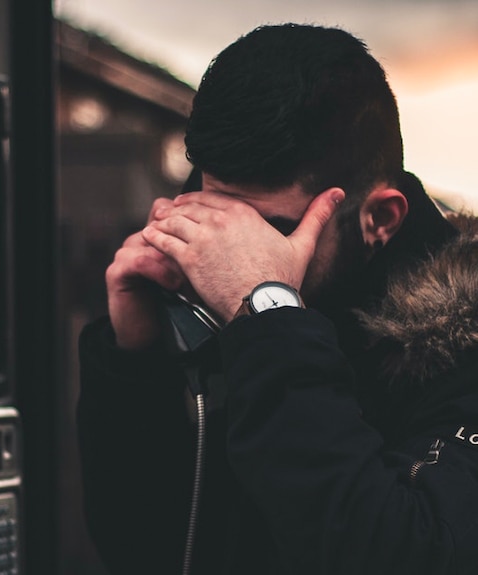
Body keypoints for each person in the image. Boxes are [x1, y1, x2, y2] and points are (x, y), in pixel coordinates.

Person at [76, 23, 478, 575]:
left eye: (270, 229)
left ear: (379, 220)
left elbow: (404, 554)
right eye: (221, 219)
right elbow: (154, 549)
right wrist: (136, 366)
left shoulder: (462, 348)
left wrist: (269, 312)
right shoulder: (238, 327)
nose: (235, 256)